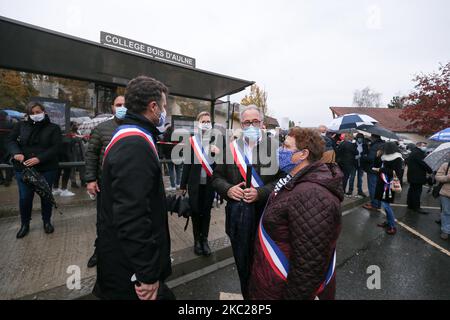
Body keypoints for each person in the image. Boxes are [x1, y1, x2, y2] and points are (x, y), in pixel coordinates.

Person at [93, 76, 173, 300]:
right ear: (153, 106)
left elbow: (140, 195)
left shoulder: (133, 135)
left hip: (125, 262)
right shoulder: (134, 144)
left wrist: (173, 203)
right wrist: (147, 274)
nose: (164, 112)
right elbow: (132, 216)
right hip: (130, 270)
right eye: (164, 106)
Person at [248, 127, 343, 300]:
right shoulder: (293, 180)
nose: (280, 151)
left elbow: (308, 268)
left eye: (285, 147)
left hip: (281, 290)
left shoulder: (312, 195)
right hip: (271, 284)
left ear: (303, 154)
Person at [212, 105, 281, 299]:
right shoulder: (231, 148)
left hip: (266, 216)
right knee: (243, 265)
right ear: (241, 125)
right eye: (246, 122)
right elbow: (216, 178)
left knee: (264, 265)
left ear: (262, 124)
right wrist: (228, 189)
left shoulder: (275, 148)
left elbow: (284, 180)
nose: (251, 125)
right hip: (237, 218)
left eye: (255, 122)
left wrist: (260, 193)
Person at [7, 102, 62, 238]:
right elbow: (10, 141)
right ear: (28, 115)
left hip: (46, 168)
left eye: (38, 112)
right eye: (32, 113)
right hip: (23, 168)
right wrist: (16, 153)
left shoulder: (53, 128)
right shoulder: (20, 126)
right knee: (25, 198)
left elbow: (56, 147)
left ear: (44, 111)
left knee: (46, 196)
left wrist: (39, 158)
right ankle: (25, 224)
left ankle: (47, 222)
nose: (36, 115)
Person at [84, 95, 125, 268]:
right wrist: (91, 179)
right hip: (105, 184)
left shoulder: (136, 128)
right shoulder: (102, 128)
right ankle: (100, 250)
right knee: (104, 220)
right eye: (119, 104)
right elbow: (91, 154)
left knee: (126, 220)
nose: (122, 107)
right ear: (113, 107)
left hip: (128, 186)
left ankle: (122, 253)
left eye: (126, 104)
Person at [180, 111, 218, 256]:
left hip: (209, 184)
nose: (206, 123)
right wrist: (183, 186)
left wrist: (218, 154)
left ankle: (205, 240)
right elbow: (187, 165)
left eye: (208, 121)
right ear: (198, 123)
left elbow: (219, 166)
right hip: (195, 184)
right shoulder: (192, 141)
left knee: (206, 213)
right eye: (203, 121)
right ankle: (197, 241)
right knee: (195, 212)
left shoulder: (216, 140)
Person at [373, 142, 404, 235]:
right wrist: (377, 156)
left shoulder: (397, 158)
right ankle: (387, 222)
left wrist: (381, 170)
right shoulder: (385, 156)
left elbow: (396, 173)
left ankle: (392, 226)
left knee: (386, 205)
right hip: (382, 183)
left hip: (389, 184)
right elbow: (376, 165)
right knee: (385, 204)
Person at [406, 142, 433, 214]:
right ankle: (416, 207)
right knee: (417, 192)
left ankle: (410, 204)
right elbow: (423, 163)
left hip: (412, 175)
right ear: (418, 145)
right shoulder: (418, 153)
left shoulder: (414, 152)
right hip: (417, 176)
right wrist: (430, 170)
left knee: (412, 190)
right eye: (424, 145)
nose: (425, 147)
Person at [362, 134, 385, 211]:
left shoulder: (375, 146)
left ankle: (374, 204)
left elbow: (370, 158)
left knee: (372, 187)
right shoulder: (383, 144)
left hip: (372, 169)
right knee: (378, 187)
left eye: (371, 137)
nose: (371, 139)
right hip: (380, 169)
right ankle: (377, 204)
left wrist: (364, 157)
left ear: (374, 137)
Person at [336, 133, 358, 197]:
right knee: (345, 177)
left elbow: (338, 152)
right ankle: (342, 191)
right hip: (348, 163)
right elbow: (356, 152)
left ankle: (339, 191)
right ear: (350, 138)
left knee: (341, 177)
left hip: (340, 163)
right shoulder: (351, 145)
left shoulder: (341, 143)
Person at [161, 124, 182, 191]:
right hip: (178, 155)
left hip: (169, 156)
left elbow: (163, 146)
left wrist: (163, 155)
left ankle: (173, 186)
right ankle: (178, 184)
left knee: (171, 171)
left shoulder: (165, 135)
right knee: (178, 170)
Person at [348, 133, 368, 198]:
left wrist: (362, 156)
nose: (360, 140)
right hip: (354, 163)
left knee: (360, 178)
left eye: (361, 138)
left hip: (361, 163)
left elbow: (366, 153)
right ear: (356, 139)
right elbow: (350, 154)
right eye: (359, 138)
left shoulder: (365, 145)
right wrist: (354, 156)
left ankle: (360, 191)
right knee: (352, 177)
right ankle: (350, 190)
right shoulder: (353, 145)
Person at [435, 161, 450, 240]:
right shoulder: (445, 165)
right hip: (445, 193)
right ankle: (446, 230)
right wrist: (447, 177)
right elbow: (437, 177)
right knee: (446, 212)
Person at [0, 110, 14, 187]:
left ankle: (1, 179)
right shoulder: (11, 124)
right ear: (5, 116)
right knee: (8, 163)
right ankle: (8, 180)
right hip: (8, 147)